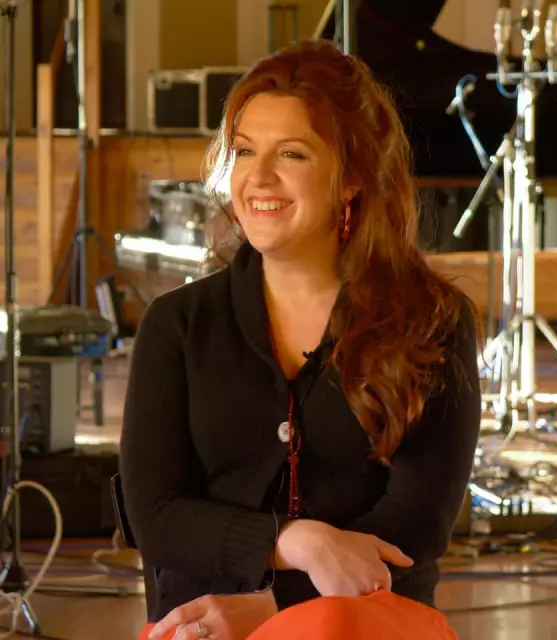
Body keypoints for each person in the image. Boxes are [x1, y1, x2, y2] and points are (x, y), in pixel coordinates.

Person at [120, 38, 482, 640]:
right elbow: (157, 516)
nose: (257, 177)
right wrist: (295, 541)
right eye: (244, 151)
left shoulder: (435, 320)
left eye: (291, 153)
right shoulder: (175, 323)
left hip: (364, 620)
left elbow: (417, 522)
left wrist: (276, 606)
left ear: (352, 178)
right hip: (202, 622)